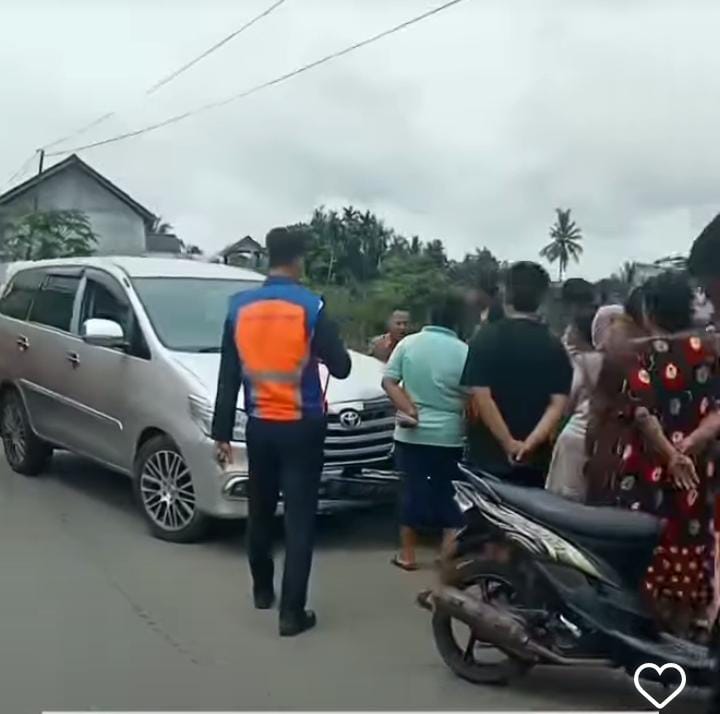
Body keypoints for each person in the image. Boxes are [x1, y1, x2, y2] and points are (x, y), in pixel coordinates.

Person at [211, 227, 351, 637]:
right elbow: (340, 366)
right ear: (299, 259)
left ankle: (261, 590)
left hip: (259, 426)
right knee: (300, 519)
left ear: (267, 257)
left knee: (260, 508)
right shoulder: (311, 306)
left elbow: (227, 378)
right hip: (302, 425)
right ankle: (292, 614)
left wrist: (222, 432)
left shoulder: (239, 307)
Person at [586, 271, 718, 638]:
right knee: (691, 540)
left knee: (645, 541)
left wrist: (671, 454)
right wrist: (691, 445)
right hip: (698, 470)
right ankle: (686, 627)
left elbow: (641, 412)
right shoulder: (711, 350)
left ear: (648, 309)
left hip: (650, 470)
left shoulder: (636, 353)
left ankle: (645, 632)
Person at [461, 261, 573, 487]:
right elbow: (557, 405)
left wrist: (508, 443)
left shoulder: (484, 339)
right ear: (542, 298)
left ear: (506, 293)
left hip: (487, 459)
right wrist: (528, 445)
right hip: (535, 462)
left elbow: (482, 398)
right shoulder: (554, 345)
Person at [382, 291, 468, 571]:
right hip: (449, 435)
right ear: (457, 322)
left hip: (410, 434)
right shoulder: (464, 351)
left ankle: (408, 555)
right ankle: (446, 557)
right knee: (449, 493)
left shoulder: (409, 344)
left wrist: (407, 408)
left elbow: (389, 381)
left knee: (411, 490)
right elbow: (472, 396)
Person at [545, 304, 613, 502]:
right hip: (607, 445)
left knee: (562, 504)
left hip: (576, 439)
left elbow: (567, 404)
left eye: (571, 328)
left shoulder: (585, 362)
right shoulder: (626, 361)